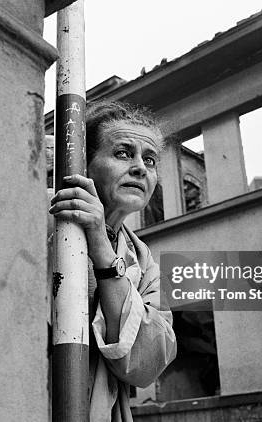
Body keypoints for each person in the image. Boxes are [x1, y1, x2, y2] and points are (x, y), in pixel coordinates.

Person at [48, 101, 177, 421]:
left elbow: (149, 361)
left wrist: (100, 246)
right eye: (122, 153)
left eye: (149, 159)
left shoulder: (143, 260)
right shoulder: (46, 221)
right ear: (84, 164)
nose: (140, 168)